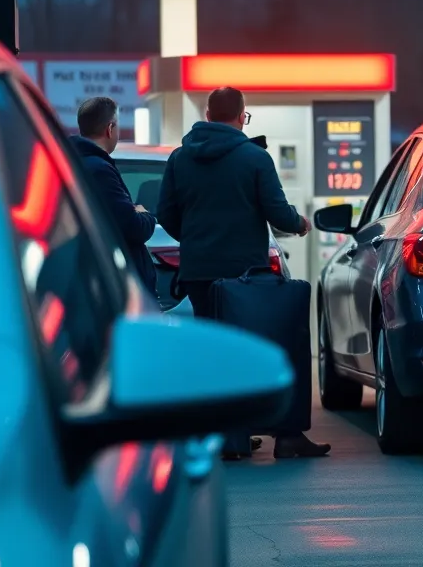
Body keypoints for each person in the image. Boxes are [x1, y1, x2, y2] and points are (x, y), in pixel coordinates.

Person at [157, 86, 330, 460]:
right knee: (264, 350)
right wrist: (300, 224)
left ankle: (225, 437)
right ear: (241, 115)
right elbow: (277, 213)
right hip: (245, 277)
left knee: (210, 353)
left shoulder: (179, 158)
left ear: (206, 114)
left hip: (199, 274)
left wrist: (195, 240)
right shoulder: (254, 157)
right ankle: (286, 436)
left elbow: (166, 214)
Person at [69, 97, 157, 292]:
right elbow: (132, 227)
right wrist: (145, 215)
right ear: (110, 129)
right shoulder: (100, 169)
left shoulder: (72, 164)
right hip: (117, 284)